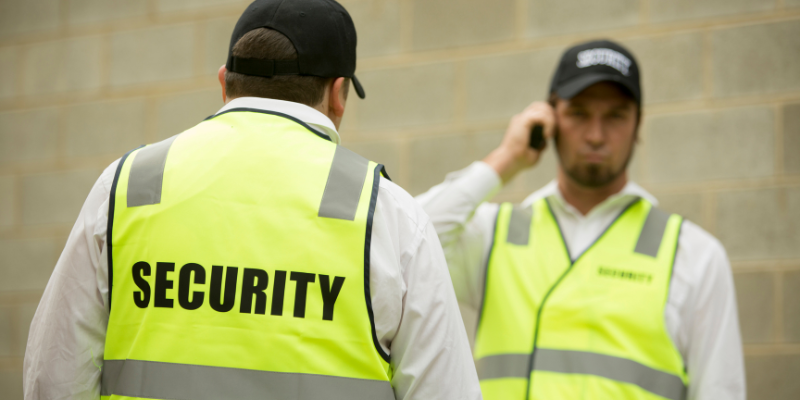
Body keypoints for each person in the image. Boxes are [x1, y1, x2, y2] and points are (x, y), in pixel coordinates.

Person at [23, 1, 481, 399]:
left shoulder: (128, 185)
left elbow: (53, 377)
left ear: (225, 82)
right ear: (338, 93)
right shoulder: (386, 212)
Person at [417, 40, 745, 400]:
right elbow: (410, 238)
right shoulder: (494, 234)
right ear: (550, 119)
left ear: (638, 124)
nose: (595, 135)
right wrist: (507, 157)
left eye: (616, 116)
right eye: (578, 114)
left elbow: (720, 391)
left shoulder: (694, 254)